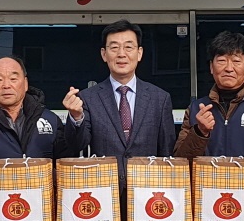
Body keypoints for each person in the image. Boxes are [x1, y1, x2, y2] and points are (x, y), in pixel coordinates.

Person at [62, 20, 176, 169]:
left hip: (147, 180)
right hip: (104, 181)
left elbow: (167, 153)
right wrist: (76, 117)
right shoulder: (88, 98)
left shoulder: (159, 99)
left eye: (128, 47)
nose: (121, 54)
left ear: (139, 53)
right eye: (114, 47)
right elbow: (77, 145)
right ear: (104, 54)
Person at [174, 31, 244, 159]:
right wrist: (199, 132)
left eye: (236, 61)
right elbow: (180, 161)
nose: (229, 68)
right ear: (211, 67)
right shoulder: (195, 109)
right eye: (222, 61)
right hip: (207, 173)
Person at [0, 56, 76, 160]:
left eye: (13, 79)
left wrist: (76, 117)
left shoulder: (50, 120)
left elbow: (66, 162)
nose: (6, 85)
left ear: (25, 84)